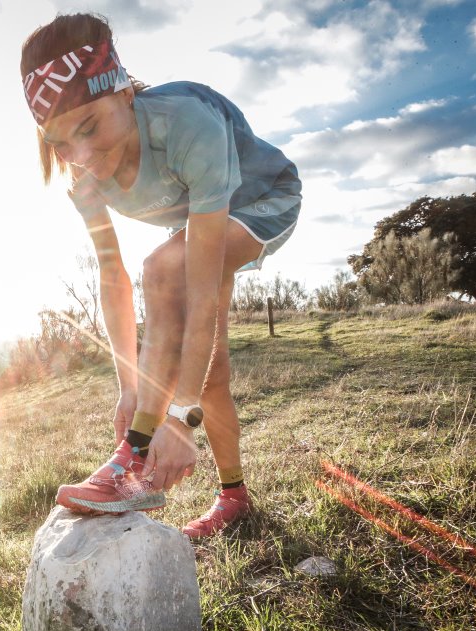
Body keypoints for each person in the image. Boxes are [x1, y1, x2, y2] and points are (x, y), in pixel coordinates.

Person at [20, 13, 302, 538]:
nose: (80, 155)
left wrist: (179, 417)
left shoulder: (186, 123)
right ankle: (234, 496)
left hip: (267, 200)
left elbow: (193, 287)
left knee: (165, 267)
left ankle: (131, 459)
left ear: (124, 93)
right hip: (201, 224)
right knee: (210, 373)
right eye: (61, 142)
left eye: (89, 127)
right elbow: (112, 279)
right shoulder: (83, 182)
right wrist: (130, 386)